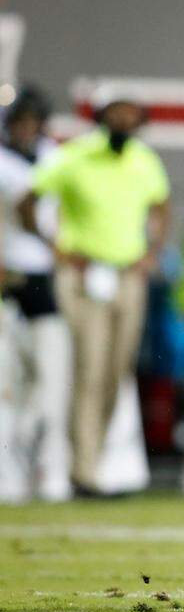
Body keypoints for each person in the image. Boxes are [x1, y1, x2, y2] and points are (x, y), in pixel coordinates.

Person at [18, 84, 170, 494]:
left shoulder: (144, 159)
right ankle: (81, 469)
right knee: (90, 367)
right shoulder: (74, 155)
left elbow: (160, 206)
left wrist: (151, 250)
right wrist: (55, 248)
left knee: (116, 373)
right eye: (115, 112)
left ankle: (93, 461)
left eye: (129, 112)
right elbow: (28, 201)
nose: (123, 120)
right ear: (100, 115)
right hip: (83, 274)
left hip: (126, 275)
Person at [0, 86, 72, 501]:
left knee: (52, 384)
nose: (26, 129)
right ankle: (9, 476)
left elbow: (62, 212)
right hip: (8, 279)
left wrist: (59, 248)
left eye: (32, 121)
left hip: (46, 279)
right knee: (8, 385)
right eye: (19, 121)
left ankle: (50, 472)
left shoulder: (55, 158)